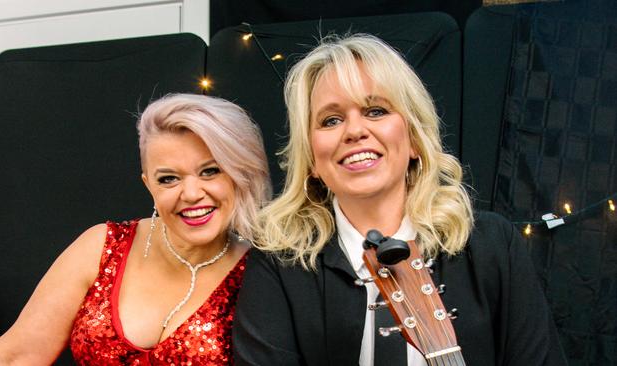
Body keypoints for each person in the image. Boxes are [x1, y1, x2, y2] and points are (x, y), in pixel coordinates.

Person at [232, 34, 567, 365]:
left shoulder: (492, 246)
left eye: (375, 111)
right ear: (311, 160)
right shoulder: (280, 263)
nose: (354, 131)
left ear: (414, 141)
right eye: (331, 120)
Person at [0, 93, 271, 365]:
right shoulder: (102, 246)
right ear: (148, 185)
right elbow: (13, 356)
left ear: (238, 172)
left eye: (210, 171)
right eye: (168, 178)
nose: (191, 193)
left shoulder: (262, 274)